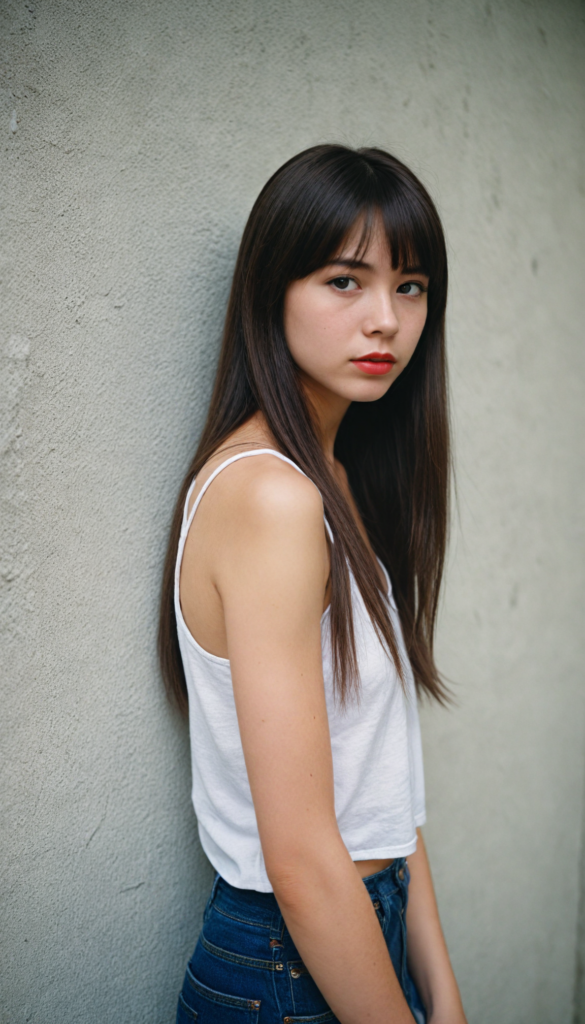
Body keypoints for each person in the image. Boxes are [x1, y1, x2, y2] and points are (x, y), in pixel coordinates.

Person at [159, 144, 468, 1024]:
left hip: (358, 931)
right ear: (272, 291)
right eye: (344, 281)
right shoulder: (271, 497)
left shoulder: (330, 480)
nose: (386, 320)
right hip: (287, 966)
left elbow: (380, 792)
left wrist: (442, 993)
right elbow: (297, 857)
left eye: (410, 286)